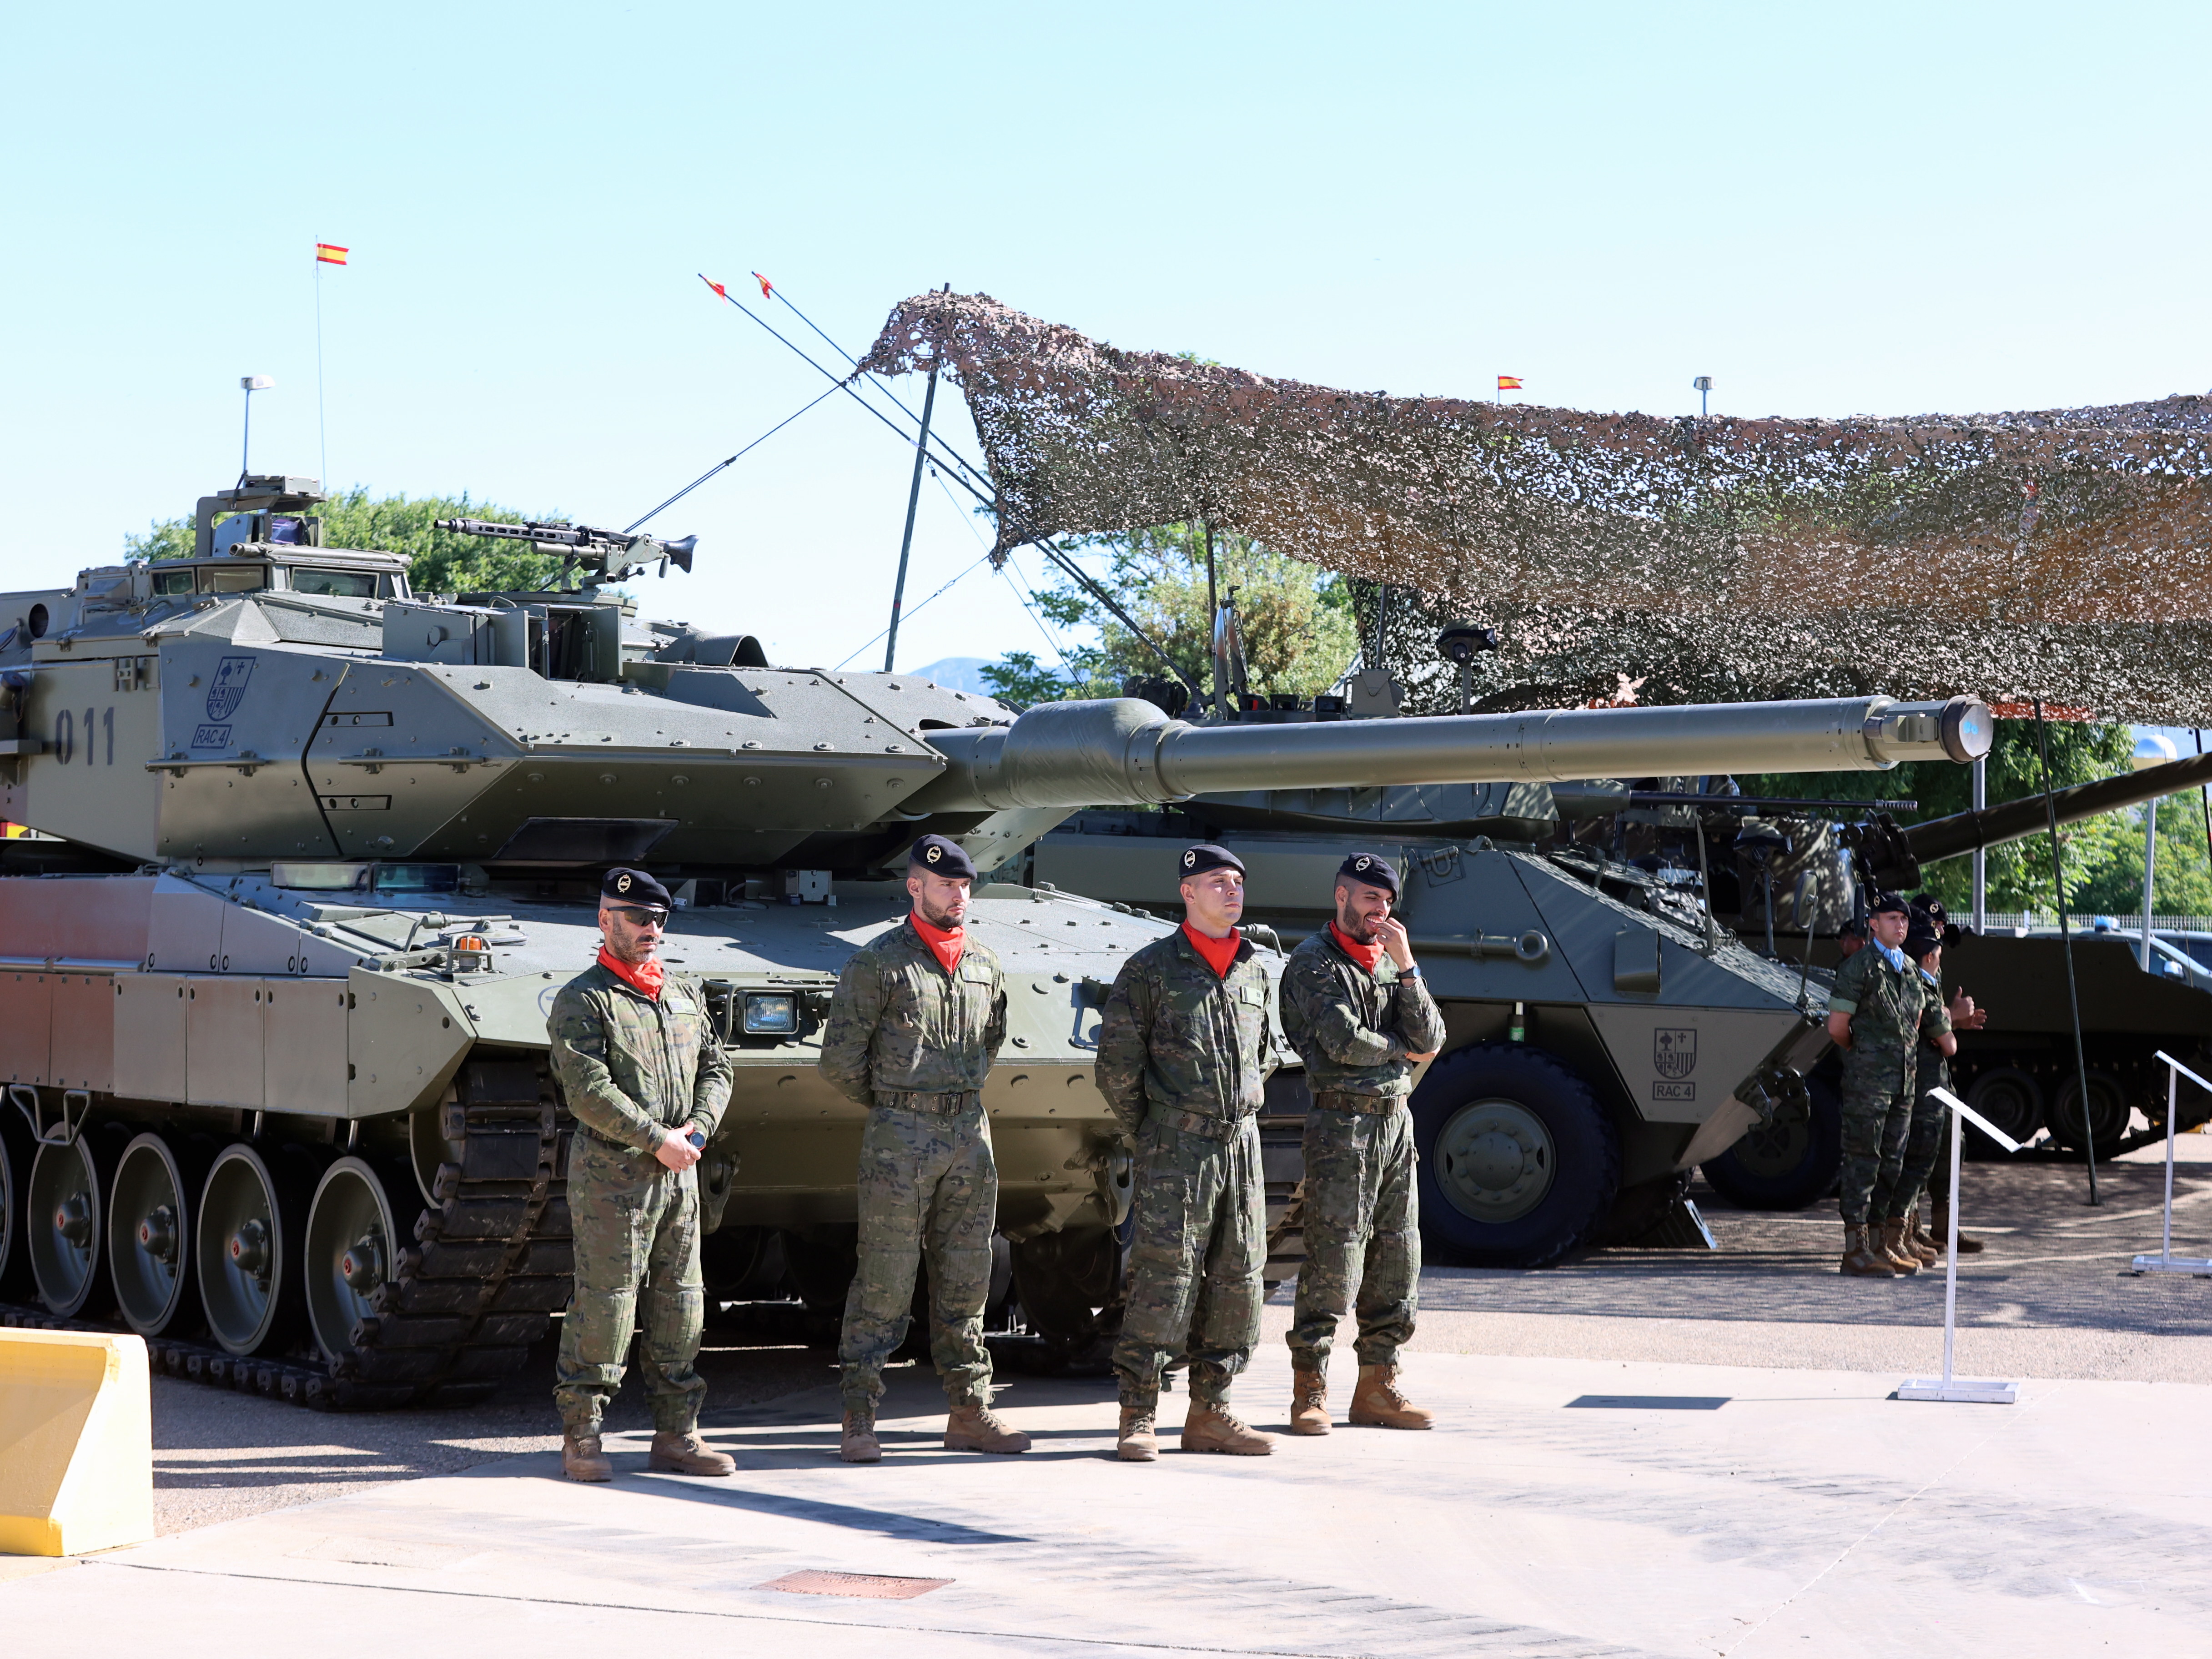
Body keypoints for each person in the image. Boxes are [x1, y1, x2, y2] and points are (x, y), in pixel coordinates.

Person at [818, 834, 1028, 1464]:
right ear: (915, 887)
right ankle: (859, 1415)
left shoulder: (985, 965)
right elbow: (840, 1062)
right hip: (900, 1136)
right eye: (946, 885)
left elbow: (992, 1043)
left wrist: (949, 1101)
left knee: (969, 1278)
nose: (958, 896)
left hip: (969, 1133)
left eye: (965, 886)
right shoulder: (878, 964)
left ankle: (969, 1412)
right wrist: (896, 1103)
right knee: (885, 1278)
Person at [548, 867, 736, 1482]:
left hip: (679, 1175)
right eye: (638, 919)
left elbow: (718, 1067)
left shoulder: (680, 994)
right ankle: (583, 1435)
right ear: (606, 920)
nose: (651, 929)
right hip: (615, 1177)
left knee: (681, 1304)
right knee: (606, 1304)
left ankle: (677, 1434)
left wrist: (697, 1132)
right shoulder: (584, 999)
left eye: (659, 919)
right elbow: (588, 1090)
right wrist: (658, 1140)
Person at [1097, 844, 1280, 1462]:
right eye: (1217, 883)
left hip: (1241, 1145)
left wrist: (1243, 1099)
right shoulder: (1151, 969)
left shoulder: (1255, 967)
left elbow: (1270, 1051)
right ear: (1188, 893)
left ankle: (1212, 1412)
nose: (1233, 893)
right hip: (1178, 1145)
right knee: (1163, 1278)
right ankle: (1139, 1413)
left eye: (1237, 883)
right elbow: (1117, 1067)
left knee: (1239, 1278)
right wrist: (1155, 1130)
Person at [1279, 853, 1445, 1434]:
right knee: (1334, 1257)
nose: (1380, 912)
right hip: (1342, 1127)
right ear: (1341, 897)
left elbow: (1432, 1035)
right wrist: (1402, 1049)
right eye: (1369, 899)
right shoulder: (1312, 963)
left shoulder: (1389, 963)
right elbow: (1340, 1041)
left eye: (1387, 902)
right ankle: (1310, 1390)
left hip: (1396, 1125)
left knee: (1398, 1257)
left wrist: (1407, 968)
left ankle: (1378, 1385)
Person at [1825, 892, 1951, 1276]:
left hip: (1904, 1087)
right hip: (1868, 1086)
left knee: (1891, 1165)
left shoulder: (1911, 970)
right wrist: (1866, 1057)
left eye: (1903, 920)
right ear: (1874, 924)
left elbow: (1931, 1027)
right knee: (1863, 1162)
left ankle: (1882, 1243)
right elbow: (1838, 1029)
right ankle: (1855, 1249)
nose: (1900, 925)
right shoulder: (1858, 968)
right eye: (1892, 919)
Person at [1891, 900, 1990, 1259]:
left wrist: (1954, 1020)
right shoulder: (1908, 970)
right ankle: (1905, 1232)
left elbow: (1936, 1024)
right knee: (1918, 1152)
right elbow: (1926, 1025)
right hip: (1918, 1078)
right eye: (1933, 926)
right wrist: (1950, 1020)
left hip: (1936, 1079)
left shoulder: (1929, 970)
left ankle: (1943, 1224)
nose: (1939, 937)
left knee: (1950, 1143)